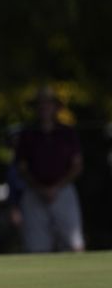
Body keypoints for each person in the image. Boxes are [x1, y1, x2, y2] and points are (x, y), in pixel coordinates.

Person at [15, 87, 84, 252]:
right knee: (36, 246)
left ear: (55, 107)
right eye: (41, 104)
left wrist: (56, 187)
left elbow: (77, 165)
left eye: (48, 104)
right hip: (34, 193)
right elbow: (22, 168)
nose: (44, 108)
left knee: (73, 244)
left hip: (63, 191)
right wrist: (41, 189)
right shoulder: (28, 133)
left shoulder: (67, 132)